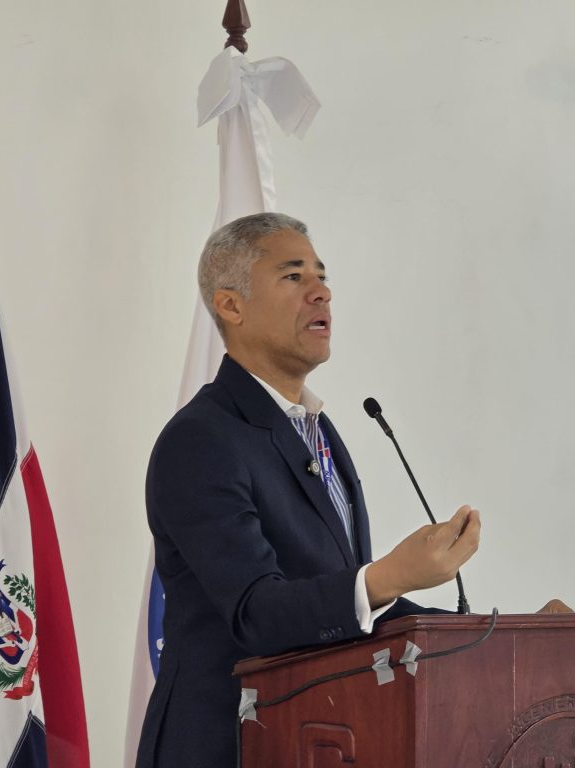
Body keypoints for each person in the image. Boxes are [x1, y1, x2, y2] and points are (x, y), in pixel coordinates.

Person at [135, 212, 481, 768]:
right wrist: (389, 574)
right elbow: (255, 611)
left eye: (322, 276)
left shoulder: (315, 430)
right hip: (227, 746)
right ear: (231, 305)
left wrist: (501, 634)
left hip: (313, 739)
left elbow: (340, 607)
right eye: (294, 277)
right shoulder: (200, 440)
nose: (322, 292)